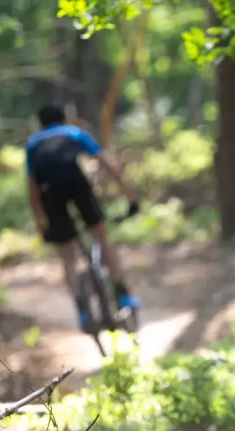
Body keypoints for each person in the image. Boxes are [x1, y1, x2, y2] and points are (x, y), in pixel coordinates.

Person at [25, 103, 140, 332]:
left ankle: (82, 311)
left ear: (41, 123)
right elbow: (106, 162)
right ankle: (123, 294)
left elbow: (32, 188)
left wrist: (41, 223)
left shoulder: (33, 144)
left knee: (67, 256)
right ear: (64, 119)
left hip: (50, 193)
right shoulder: (74, 133)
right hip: (76, 184)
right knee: (102, 238)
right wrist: (130, 196)